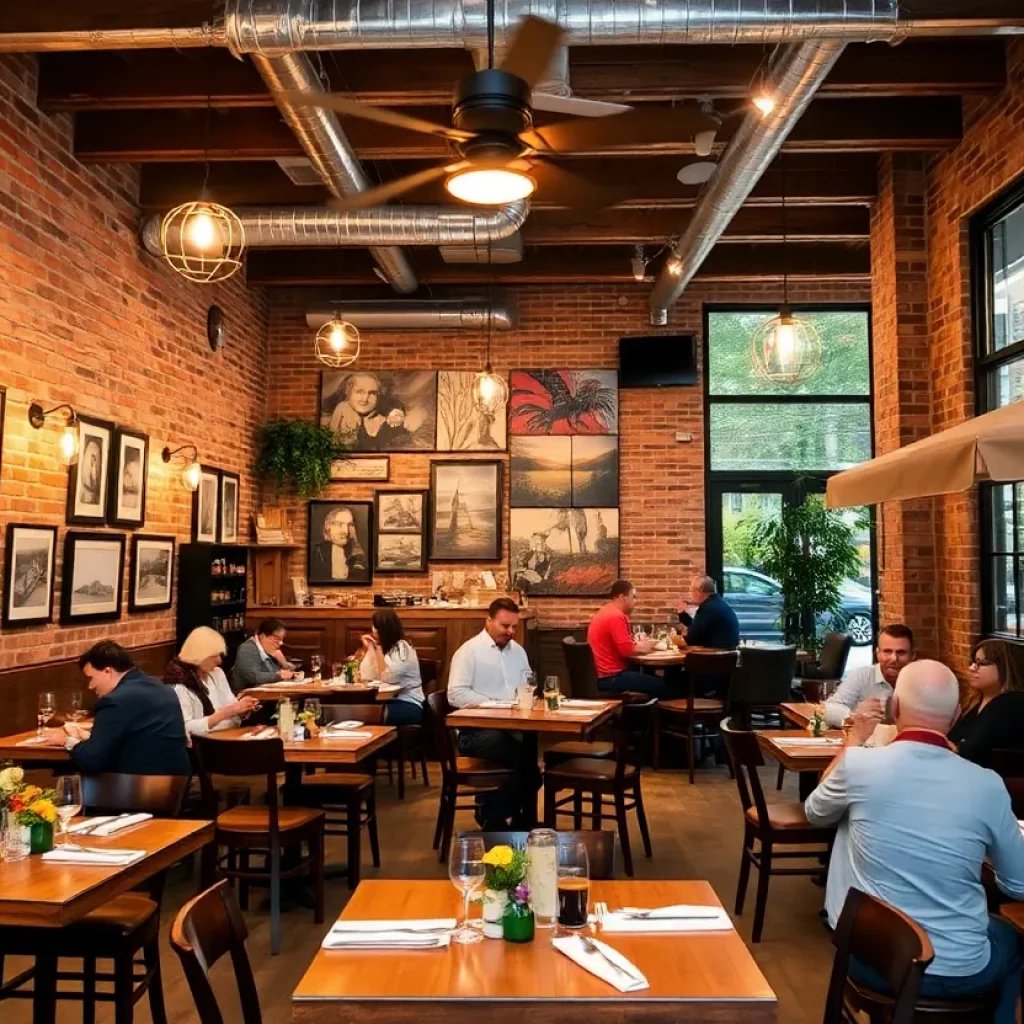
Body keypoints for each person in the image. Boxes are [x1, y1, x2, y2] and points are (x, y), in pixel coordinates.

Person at [805, 660, 1024, 1024]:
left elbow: (815, 812)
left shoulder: (859, 766)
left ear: (895, 708)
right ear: (955, 715)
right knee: (1009, 941)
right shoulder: (986, 784)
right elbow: (1019, 883)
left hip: (871, 957)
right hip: (958, 969)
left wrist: (852, 743)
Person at [447, 597, 541, 829]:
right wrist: (494, 704)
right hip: (476, 732)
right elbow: (455, 695)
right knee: (529, 767)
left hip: (514, 727)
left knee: (529, 761)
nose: (510, 631)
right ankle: (499, 815)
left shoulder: (518, 652)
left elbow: (528, 685)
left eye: (514, 627)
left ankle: (495, 813)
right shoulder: (469, 652)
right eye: (505, 625)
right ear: (488, 621)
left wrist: (529, 698)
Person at [39, 641, 191, 775]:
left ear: (108, 671)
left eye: (91, 678)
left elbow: (92, 760)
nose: (90, 686)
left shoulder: (115, 701)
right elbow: (135, 738)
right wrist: (88, 737)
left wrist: (66, 741)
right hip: (176, 787)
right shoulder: (162, 688)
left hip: (137, 790)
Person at [587, 580, 679, 700]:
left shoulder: (606, 611)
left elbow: (622, 645)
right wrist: (646, 646)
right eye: (633, 597)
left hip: (602, 675)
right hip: (612, 677)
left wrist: (637, 643)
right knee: (662, 685)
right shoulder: (616, 617)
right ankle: (666, 717)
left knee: (651, 676)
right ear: (622, 597)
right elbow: (626, 651)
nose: (635, 601)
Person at [165, 626, 260, 735]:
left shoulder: (217, 673)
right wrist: (226, 713)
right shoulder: (180, 684)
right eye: (214, 656)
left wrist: (243, 710)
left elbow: (233, 708)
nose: (219, 661)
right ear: (199, 656)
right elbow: (186, 728)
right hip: (205, 743)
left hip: (231, 734)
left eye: (220, 655)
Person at [948, 638, 1024, 767]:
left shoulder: (1011, 703)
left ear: (1005, 667)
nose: (972, 668)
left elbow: (976, 751)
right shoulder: (975, 702)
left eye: (981, 663)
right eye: (972, 662)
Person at [823, 623, 914, 728]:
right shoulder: (861, 676)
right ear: (877, 654)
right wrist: (857, 717)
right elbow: (831, 709)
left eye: (901, 652)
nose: (894, 659)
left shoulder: (923, 681)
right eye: (887, 652)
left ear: (912, 656)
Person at [358, 608, 424, 725]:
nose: (373, 631)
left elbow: (389, 677)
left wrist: (376, 650)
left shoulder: (402, 648)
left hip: (409, 704)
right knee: (358, 712)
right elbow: (367, 675)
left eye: (375, 627)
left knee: (365, 716)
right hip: (387, 701)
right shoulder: (387, 649)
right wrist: (371, 649)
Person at [232, 618, 297, 691]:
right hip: (247, 697)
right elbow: (254, 677)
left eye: (281, 639)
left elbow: (286, 670)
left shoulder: (267, 649)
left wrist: (284, 663)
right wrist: (279, 675)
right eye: (276, 639)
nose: (280, 643)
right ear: (262, 636)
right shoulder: (248, 649)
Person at [677, 576, 740, 650]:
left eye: (691, 591)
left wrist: (675, 640)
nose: (690, 595)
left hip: (715, 657)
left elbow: (692, 639)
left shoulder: (707, 608)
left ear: (699, 591)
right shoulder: (717, 603)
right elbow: (699, 628)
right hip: (728, 657)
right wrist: (683, 615)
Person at [310, 507, 367, 582]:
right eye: (340, 524)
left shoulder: (358, 555)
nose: (346, 531)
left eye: (350, 525)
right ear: (328, 526)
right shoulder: (316, 552)